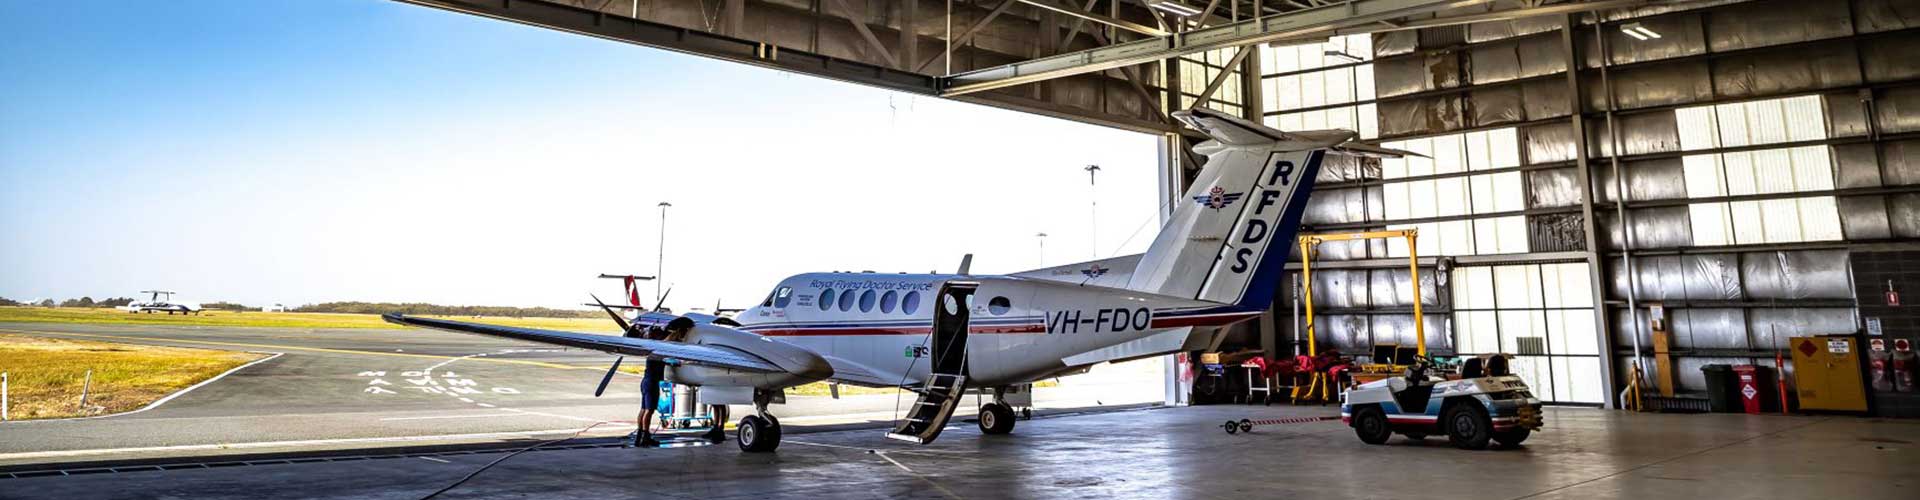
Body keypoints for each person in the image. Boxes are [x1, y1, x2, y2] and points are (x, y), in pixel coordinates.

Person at [632, 316, 695, 447]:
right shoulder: (662, 350)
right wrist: (678, 363)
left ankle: (639, 436)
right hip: (652, 382)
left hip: (645, 381)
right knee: (649, 410)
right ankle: (645, 436)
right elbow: (669, 361)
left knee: (643, 409)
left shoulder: (655, 348)